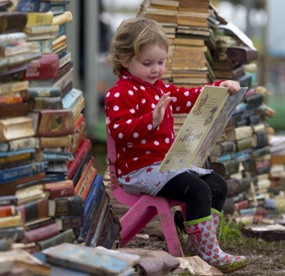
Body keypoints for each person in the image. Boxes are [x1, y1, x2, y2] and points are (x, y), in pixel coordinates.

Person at [104, 17, 247, 273]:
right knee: (196, 190)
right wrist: (151, 120)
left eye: (160, 62)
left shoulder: (159, 88)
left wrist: (219, 87)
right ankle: (209, 252)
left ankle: (203, 245)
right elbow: (118, 130)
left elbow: (186, 97)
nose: (156, 69)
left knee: (216, 185)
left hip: (164, 167)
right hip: (137, 172)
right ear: (125, 60)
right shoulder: (120, 92)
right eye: (147, 63)